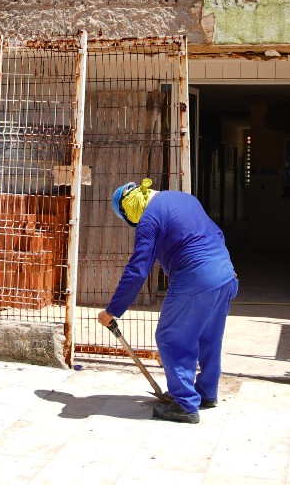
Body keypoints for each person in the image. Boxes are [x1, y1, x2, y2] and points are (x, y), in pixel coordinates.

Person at [97, 178, 239, 424]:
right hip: (225, 273)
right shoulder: (183, 197)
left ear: (129, 210)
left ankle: (185, 404)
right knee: (208, 336)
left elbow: (138, 270)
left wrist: (113, 310)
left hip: (196, 278)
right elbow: (216, 232)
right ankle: (206, 393)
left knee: (171, 337)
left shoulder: (149, 219)